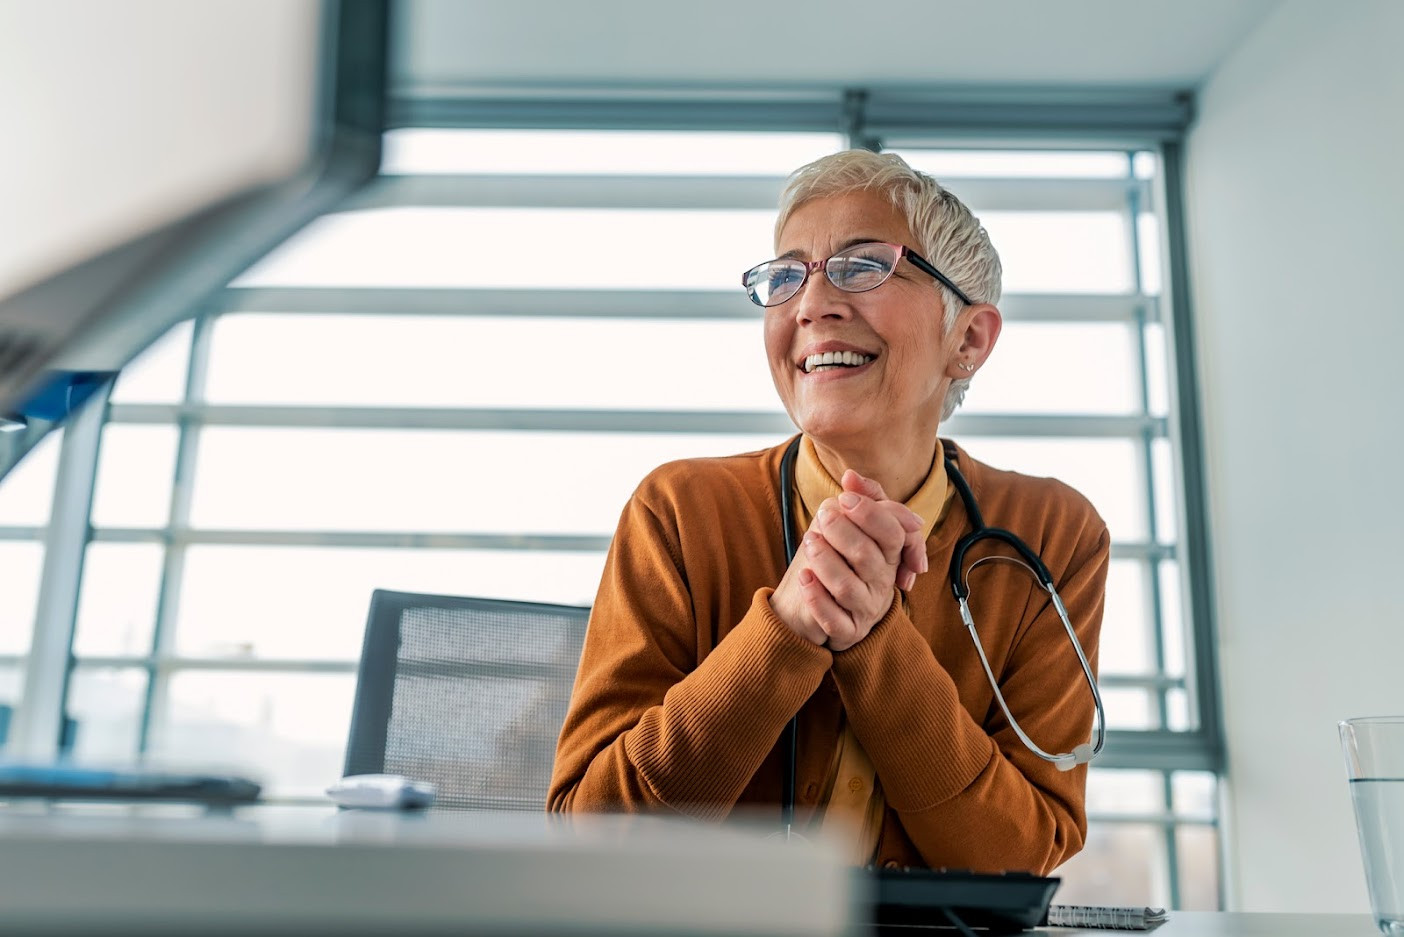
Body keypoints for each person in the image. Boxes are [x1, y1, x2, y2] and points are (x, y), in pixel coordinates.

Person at [547, 149, 1109, 876]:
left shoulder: (1053, 534)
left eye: (862, 265)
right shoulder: (680, 511)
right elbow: (592, 839)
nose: (811, 304)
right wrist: (785, 628)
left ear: (968, 339)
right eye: (786, 277)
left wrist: (877, 641)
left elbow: (1018, 854)